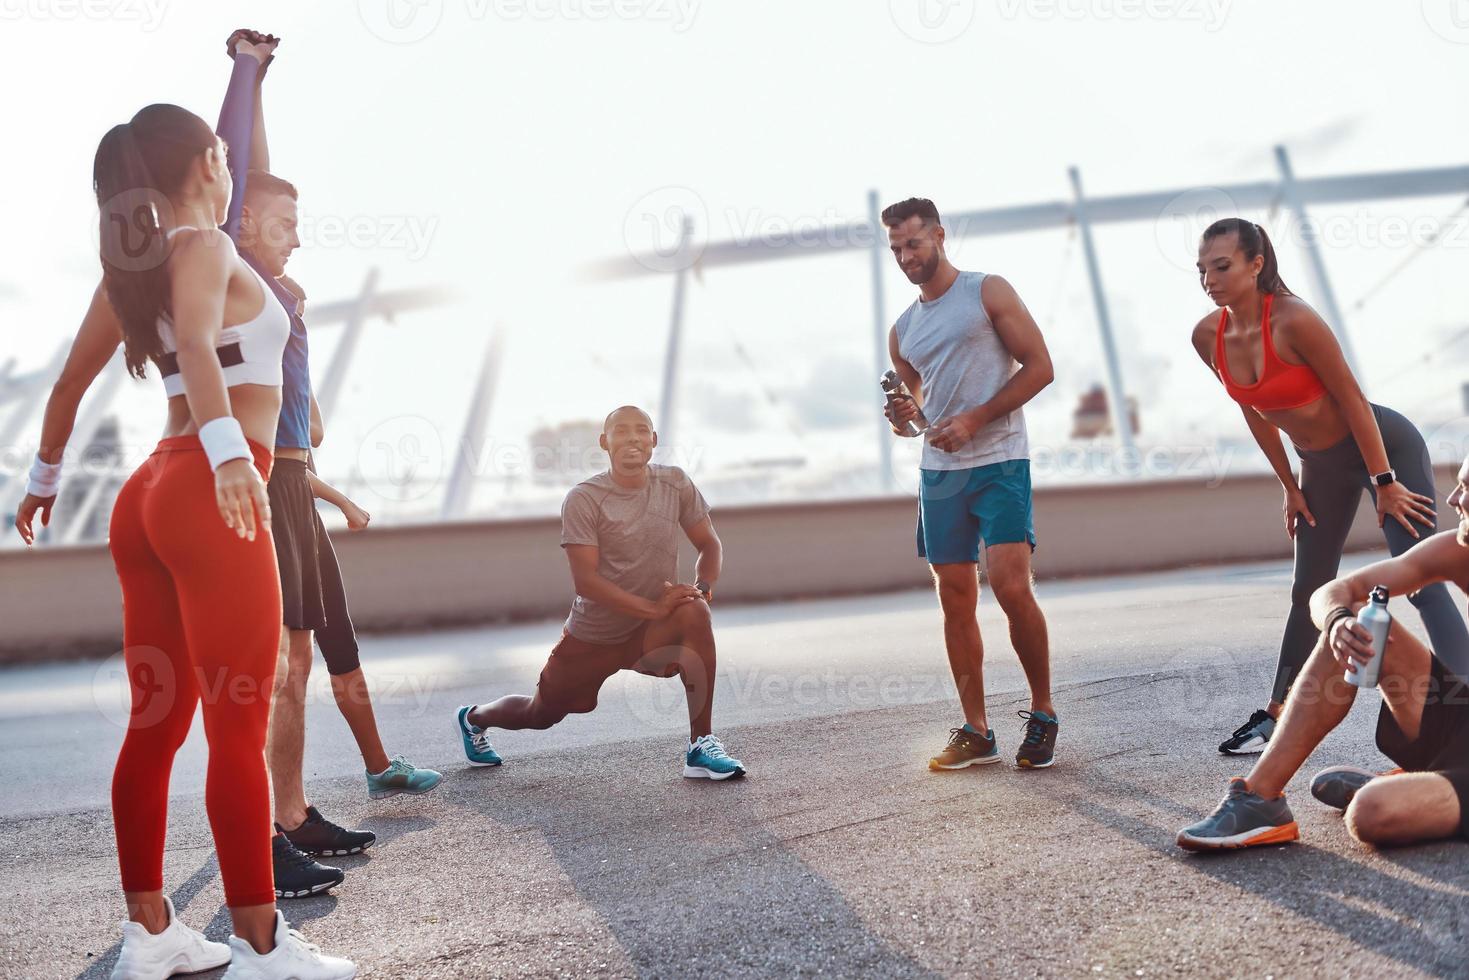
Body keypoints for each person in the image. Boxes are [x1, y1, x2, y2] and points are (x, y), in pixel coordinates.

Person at [75, 48, 353, 980]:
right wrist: (236, 456)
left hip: (148, 491)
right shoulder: (207, 249)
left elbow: (76, 381)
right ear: (205, 170)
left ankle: (151, 935)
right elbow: (199, 346)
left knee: (155, 722)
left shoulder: (140, 262)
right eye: (222, 162)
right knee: (239, 721)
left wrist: (41, 471)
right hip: (210, 483)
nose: (234, 168)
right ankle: (264, 946)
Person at [1188, 218, 1468, 756]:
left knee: (1424, 581)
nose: (1209, 280)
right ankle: (1275, 713)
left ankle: (1466, 704)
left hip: (1382, 447)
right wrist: (1290, 485)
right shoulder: (1208, 336)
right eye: (1202, 270)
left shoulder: (1295, 321)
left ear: (1256, 263)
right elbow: (1253, 409)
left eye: (1221, 267)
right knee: (1308, 590)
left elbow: (1353, 399)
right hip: (1317, 464)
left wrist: (1385, 482)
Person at [1177, 455, 1469, 852]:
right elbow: (1332, 591)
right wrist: (1337, 622)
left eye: (1467, 489)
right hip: (1459, 726)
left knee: (1371, 812)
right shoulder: (1456, 551)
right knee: (1358, 623)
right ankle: (1260, 798)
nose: (1453, 498)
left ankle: (1407, 790)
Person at [454, 406, 746, 780]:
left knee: (695, 611)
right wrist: (653, 609)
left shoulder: (675, 483)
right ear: (604, 442)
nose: (632, 438)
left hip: (647, 634)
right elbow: (586, 582)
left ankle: (700, 745)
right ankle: (474, 718)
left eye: (642, 430)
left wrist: (702, 589)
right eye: (621, 431)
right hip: (595, 635)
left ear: (654, 441)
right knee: (539, 714)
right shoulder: (584, 498)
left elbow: (710, 544)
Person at [881, 197, 1061, 772]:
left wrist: (977, 419)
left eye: (913, 243)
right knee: (955, 600)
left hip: (1002, 462)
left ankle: (1043, 711)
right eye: (896, 249)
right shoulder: (903, 330)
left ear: (938, 235)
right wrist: (904, 416)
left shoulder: (988, 291)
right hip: (940, 476)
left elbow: (1040, 367)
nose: (906, 256)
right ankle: (977, 731)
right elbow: (921, 410)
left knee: (1011, 588)